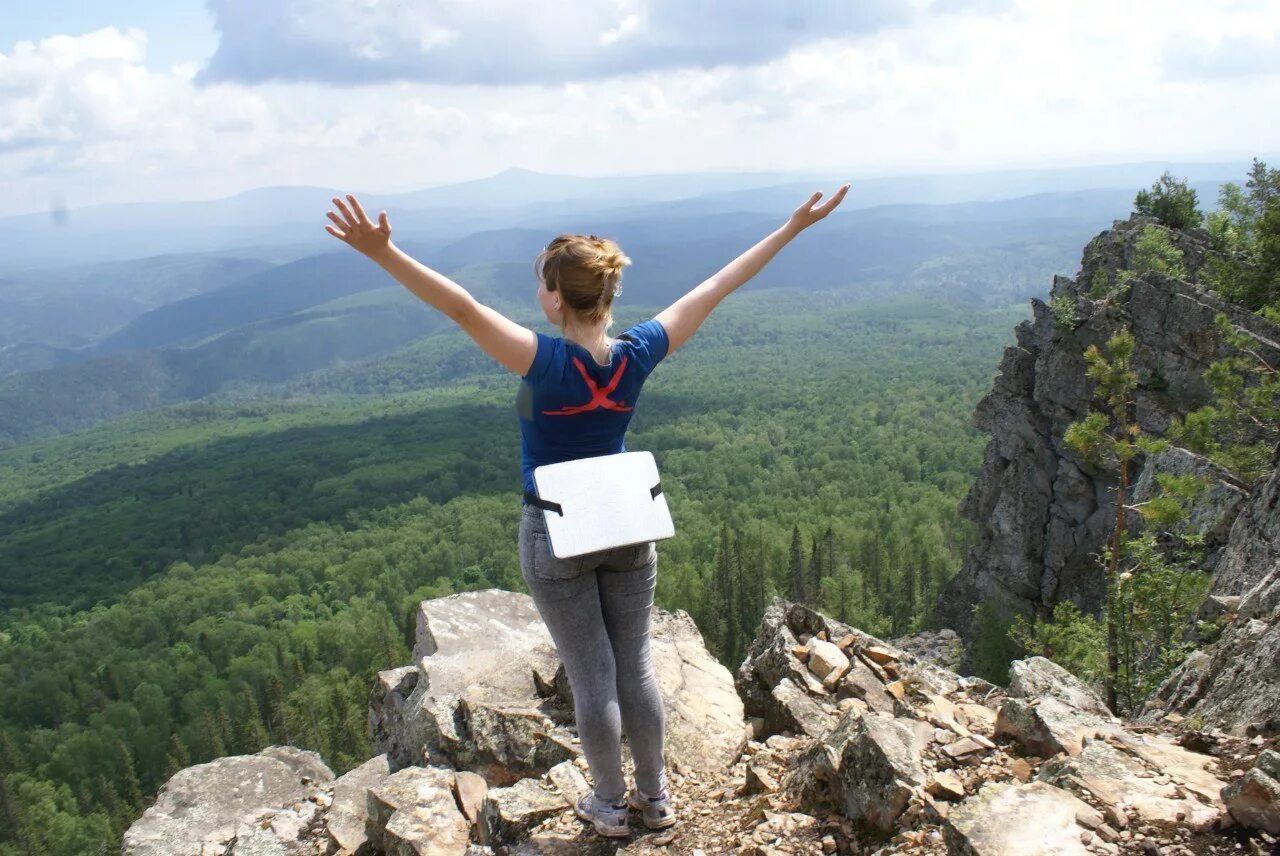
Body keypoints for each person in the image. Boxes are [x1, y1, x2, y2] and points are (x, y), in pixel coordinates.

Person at [323, 181, 850, 838]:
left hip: (556, 528)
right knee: (634, 664)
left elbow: (459, 307)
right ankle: (655, 800)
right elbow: (715, 288)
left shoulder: (543, 363)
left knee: (591, 673)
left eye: (541, 284)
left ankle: (607, 803)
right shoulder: (635, 355)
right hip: (627, 521)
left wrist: (384, 253)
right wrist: (792, 228)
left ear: (554, 297)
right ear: (607, 295)